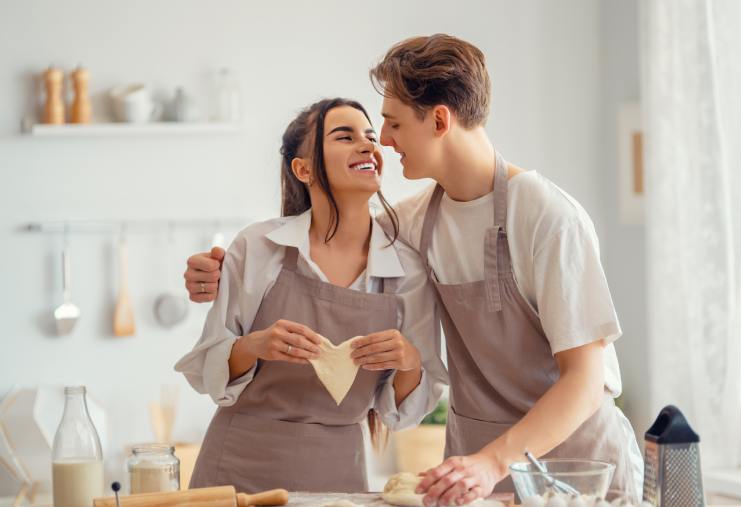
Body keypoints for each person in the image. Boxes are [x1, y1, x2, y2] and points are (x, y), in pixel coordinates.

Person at [183, 35, 644, 503]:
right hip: (472, 469)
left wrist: (492, 462)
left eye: (392, 123)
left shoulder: (548, 217)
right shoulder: (413, 221)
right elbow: (327, 238)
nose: (382, 140)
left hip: (572, 470)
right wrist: (216, 272)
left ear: (440, 120)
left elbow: (585, 381)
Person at [174, 97, 447, 493]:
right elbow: (207, 370)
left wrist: (408, 361)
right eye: (345, 136)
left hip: (337, 477)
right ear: (303, 169)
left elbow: (401, 413)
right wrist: (255, 345)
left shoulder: (407, 270)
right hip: (236, 472)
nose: (368, 144)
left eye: (370, 136)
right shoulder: (258, 246)